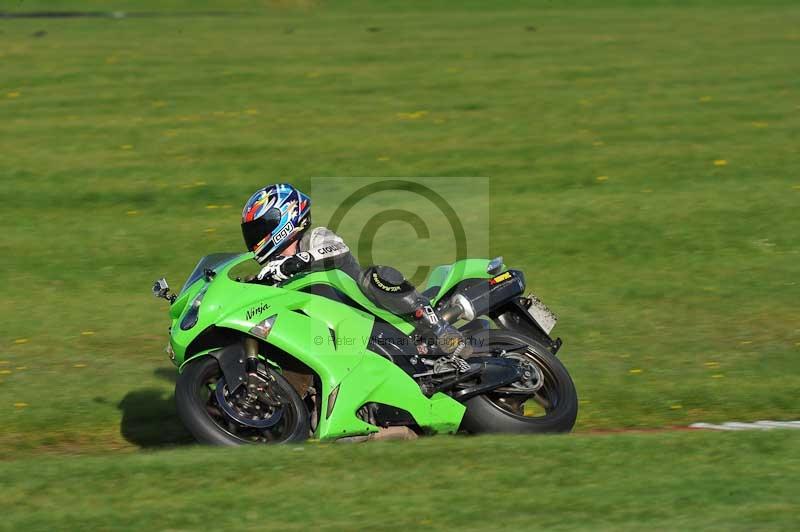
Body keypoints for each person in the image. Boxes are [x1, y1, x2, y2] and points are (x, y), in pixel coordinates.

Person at [240, 183, 471, 361]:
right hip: (342, 337)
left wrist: (301, 260)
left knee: (373, 276)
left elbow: (336, 249)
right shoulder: (275, 274)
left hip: (375, 311)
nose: (254, 239)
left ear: (283, 219)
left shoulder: (314, 238)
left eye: (259, 229)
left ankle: (439, 328)